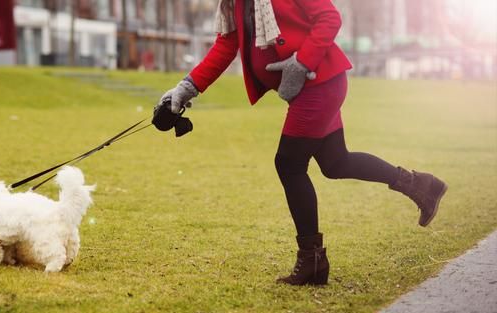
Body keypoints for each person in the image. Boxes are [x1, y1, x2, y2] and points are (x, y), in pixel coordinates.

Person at [158, 0, 448, 286]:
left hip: (319, 82)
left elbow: (330, 18)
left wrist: (301, 62)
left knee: (289, 164)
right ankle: (421, 185)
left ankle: (312, 260)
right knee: (336, 163)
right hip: (310, 88)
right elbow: (226, 45)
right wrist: (187, 87)